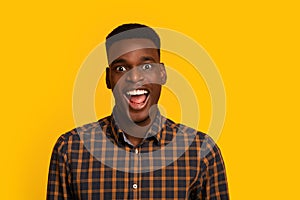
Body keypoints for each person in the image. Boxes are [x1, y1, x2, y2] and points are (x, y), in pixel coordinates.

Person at [47, 23, 229, 199]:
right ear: (108, 79)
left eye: (146, 66)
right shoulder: (70, 150)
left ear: (162, 74)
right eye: (121, 68)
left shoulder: (201, 152)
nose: (134, 77)